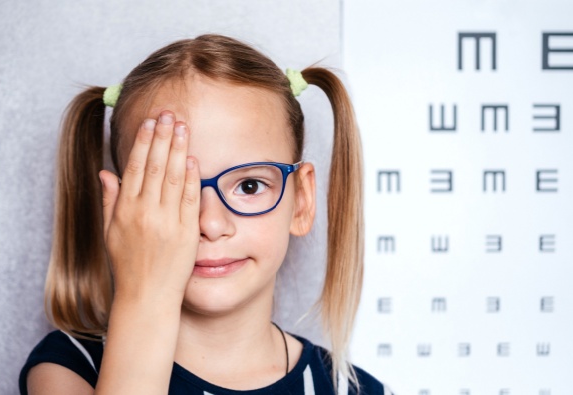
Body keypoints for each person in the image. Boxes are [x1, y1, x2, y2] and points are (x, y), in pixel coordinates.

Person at [19, 34, 390, 395]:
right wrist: (147, 291)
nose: (211, 225)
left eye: (249, 186)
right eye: (172, 187)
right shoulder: (68, 368)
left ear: (302, 201)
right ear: (119, 211)